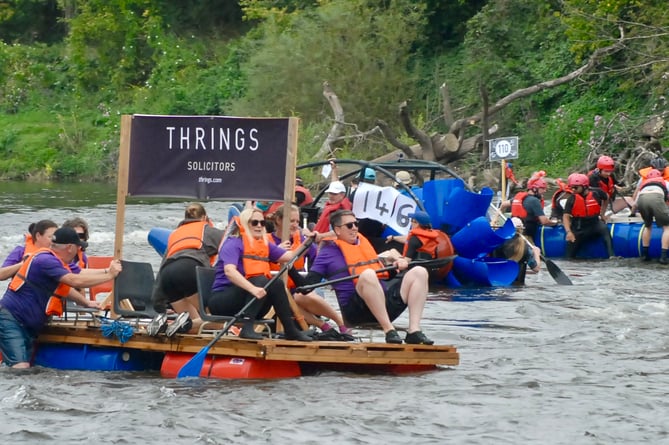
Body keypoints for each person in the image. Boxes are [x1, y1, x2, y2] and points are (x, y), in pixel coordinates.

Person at [298, 209, 434, 345]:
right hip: (356, 311)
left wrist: (398, 264)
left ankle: (414, 331)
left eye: (356, 224)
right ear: (337, 230)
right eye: (350, 225)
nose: (355, 228)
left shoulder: (363, 243)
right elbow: (309, 283)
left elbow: (385, 274)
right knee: (368, 274)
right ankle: (389, 331)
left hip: (383, 305)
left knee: (419, 272)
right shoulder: (327, 253)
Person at [0, 227, 121, 368]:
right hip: (12, 320)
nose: (79, 251)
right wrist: (110, 276)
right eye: (78, 247)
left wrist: (86, 302)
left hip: (28, 324)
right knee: (21, 367)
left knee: (26, 367)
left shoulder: (58, 262)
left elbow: (76, 278)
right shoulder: (46, 260)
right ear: (70, 247)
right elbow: (74, 281)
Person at [208, 208, 312, 341]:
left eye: (262, 223)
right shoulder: (233, 243)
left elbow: (290, 256)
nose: (259, 226)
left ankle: (290, 329)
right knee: (261, 280)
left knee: (276, 282)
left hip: (251, 301)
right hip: (222, 302)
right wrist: (253, 289)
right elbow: (229, 271)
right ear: (245, 223)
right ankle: (247, 328)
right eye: (254, 222)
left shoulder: (264, 245)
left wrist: (308, 241)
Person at [269, 204, 351, 339]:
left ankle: (341, 322)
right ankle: (322, 325)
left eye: (297, 221)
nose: (295, 225)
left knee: (301, 295)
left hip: (298, 285)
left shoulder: (301, 240)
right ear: (279, 220)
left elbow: (320, 261)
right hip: (276, 289)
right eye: (291, 221)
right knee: (287, 298)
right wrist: (276, 251)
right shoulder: (267, 241)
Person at [150, 203, 226, 337]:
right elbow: (230, 241)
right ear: (204, 218)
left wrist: (158, 303)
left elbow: (163, 265)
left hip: (167, 275)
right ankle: (182, 324)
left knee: (192, 326)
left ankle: (167, 325)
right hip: (188, 269)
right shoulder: (205, 229)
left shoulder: (175, 235)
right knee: (218, 320)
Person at [562, 173, 615, 258]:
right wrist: (569, 232)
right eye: (571, 187)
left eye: (575, 187)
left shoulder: (597, 192)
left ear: (585, 186)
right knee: (568, 257)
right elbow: (566, 217)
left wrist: (602, 214)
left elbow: (606, 198)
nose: (573, 189)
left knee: (605, 229)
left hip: (595, 224)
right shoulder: (571, 199)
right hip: (579, 228)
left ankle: (612, 256)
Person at [633, 169, 669, 263]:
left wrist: (632, 214)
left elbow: (635, 204)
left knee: (648, 226)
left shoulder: (643, 184)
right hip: (656, 198)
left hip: (642, 199)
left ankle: (645, 255)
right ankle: (663, 257)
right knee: (667, 227)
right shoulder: (665, 182)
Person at [492, 217, 541, 285]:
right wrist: (536, 253)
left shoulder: (497, 243)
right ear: (522, 230)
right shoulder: (526, 248)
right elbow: (536, 269)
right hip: (517, 286)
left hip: (496, 282)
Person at [510, 171, 558, 239]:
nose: (545, 191)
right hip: (527, 235)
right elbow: (544, 221)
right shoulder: (535, 201)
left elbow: (504, 204)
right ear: (535, 189)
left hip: (515, 233)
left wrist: (495, 219)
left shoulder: (520, 197)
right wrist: (555, 223)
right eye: (542, 188)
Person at [588, 155, 624, 219]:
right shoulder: (592, 178)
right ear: (599, 170)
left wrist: (617, 186)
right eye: (606, 171)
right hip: (598, 205)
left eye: (610, 171)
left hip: (610, 202)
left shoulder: (610, 175)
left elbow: (617, 183)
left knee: (629, 200)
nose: (608, 174)